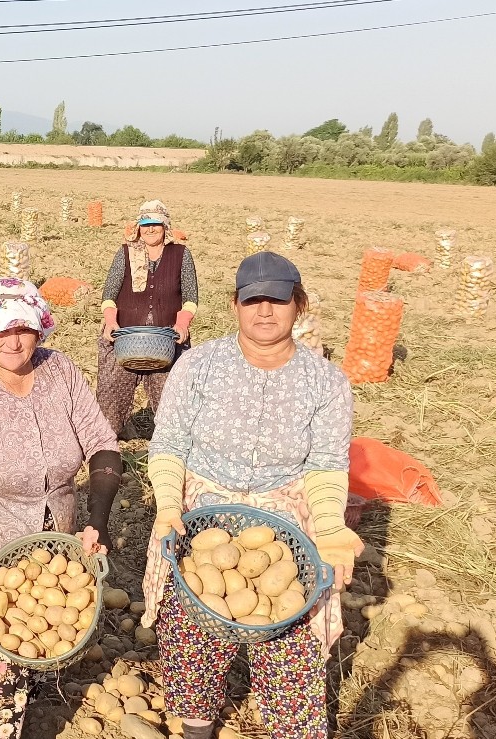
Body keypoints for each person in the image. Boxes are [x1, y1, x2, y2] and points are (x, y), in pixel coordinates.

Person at [140, 252, 361, 739]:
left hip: (282, 521)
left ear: (297, 305)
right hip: (202, 516)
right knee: (192, 630)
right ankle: (197, 726)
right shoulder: (197, 365)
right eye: (252, 299)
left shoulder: (324, 381)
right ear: (235, 305)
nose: (264, 311)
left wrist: (328, 528)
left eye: (277, 299)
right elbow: (170, 444)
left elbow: (326, 464)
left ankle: (291, 726)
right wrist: (170, 506)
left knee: (292, 637)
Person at [0, 277, 123, 739]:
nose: (13, 342)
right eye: (0, 330)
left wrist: (96, 521)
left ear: (42, 329)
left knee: (29, 659)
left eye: (24, 329)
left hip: (53, 548)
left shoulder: (61, 372)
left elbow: (102, 444)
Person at [97, 200, 200, 438]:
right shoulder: (126, 253)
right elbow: (109, 294)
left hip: (165, 340)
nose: (150, 229)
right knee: (111, 391)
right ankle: (109, 439)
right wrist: (111, 322)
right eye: (145, 224)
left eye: (156, 224)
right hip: (125, 338)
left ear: (165, 226)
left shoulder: (181, 255)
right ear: (138, 227)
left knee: (171, 396)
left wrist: (182, 324)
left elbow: (191, 297)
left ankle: (169, 441)